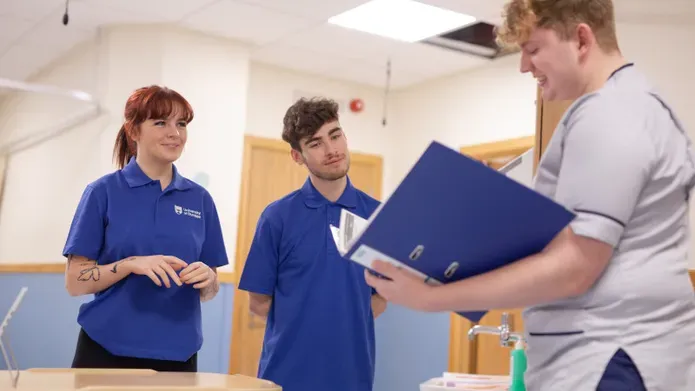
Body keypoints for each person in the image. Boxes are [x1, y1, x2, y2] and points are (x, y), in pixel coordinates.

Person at [364, 0, 695, 390]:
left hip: (607, 356)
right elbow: (576, 241)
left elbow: (575, 266)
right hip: (616, 353)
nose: (524, 66)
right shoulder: (634, 107)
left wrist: (429, 298)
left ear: (582, 39)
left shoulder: (610, 115)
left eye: (533, 48)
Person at [62, 85, 228, 372]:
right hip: (106, 350)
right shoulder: (103, 192)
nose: (174, 133)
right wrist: (130, 264)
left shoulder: (200, 199)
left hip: (179, 354)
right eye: (161, 122)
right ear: (134, 131)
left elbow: (211, 287)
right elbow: (75, 282)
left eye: (182, 124)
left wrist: (208, 279)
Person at [238, 97, 387, 391]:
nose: (331, 150)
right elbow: (258, 302)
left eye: (335, 135)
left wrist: (341, 325)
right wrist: (308, 327)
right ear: (298, 156)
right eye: (316, 143)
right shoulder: (277, 217)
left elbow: (380, 297)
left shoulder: (377, 216)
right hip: (285, 377)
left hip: (353, 377)